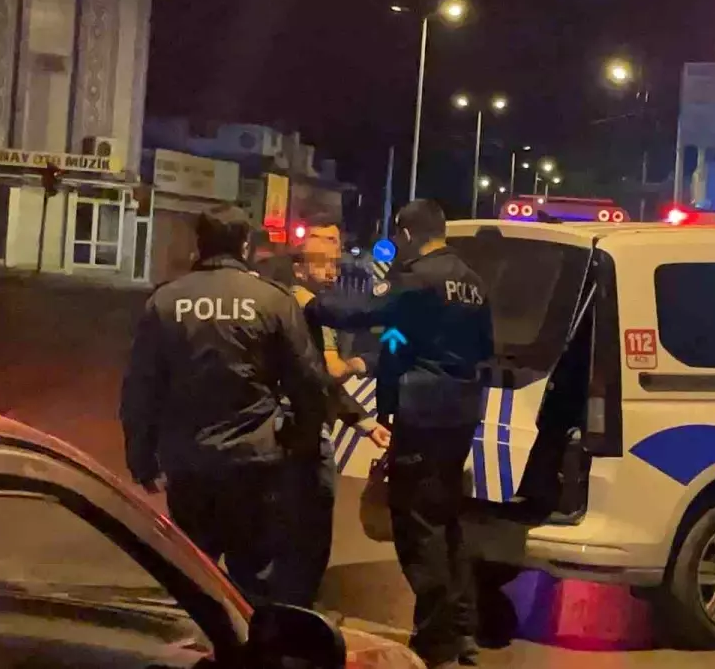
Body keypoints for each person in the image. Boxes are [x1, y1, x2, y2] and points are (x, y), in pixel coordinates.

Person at [119, 204, 389, 601]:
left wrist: (142, 459)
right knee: (255, 579)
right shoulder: (271, 300)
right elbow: (309, 383)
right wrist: (298, 443)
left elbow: (141, 388)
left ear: (200, 244)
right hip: (255, 465)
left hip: (189, 464)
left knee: (193, 575)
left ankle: (199, 635)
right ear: (245, 245)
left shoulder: (165, 301)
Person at [303, 200, 493, 668]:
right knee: (446, 520)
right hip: (461, 412)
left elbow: (360, 311)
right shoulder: (474, 283)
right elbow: (485, 347)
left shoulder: (418, 279)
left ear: (406, 235)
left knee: (418, 529)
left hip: (422, 414)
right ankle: (463, 629)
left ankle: (436, 640)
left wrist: (311, 302)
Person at [274, 214, 375, 608]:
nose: (332, 271)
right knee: (312, 520)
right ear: (299, 268)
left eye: (335, 263)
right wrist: (364, 363)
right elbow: (329, 372)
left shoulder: (280, 302)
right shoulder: (311, 309)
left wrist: (361, 420)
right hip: (302, 426)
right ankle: (297, 606)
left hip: (279, 425)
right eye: (323, 264)